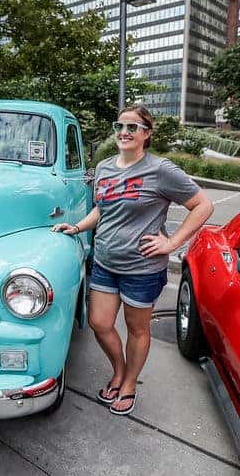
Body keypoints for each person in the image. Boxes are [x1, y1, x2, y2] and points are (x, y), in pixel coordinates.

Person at [53, 105, 213, 416]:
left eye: (133, 127)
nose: (124, 132)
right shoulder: (104, 168)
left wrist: (172, 242)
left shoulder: (161, 170)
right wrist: (78, 226)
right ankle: (120, 368)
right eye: (120, 126)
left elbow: (203, 205)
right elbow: (103, 209)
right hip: (105, 262)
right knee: (99, 323)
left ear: (146, 134)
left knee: (136, 329)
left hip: (142, 268)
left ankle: (128, 383)